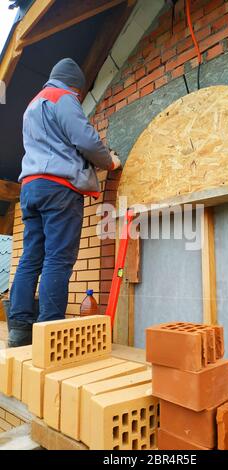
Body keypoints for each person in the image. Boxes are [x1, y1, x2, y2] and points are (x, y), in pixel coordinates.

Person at [8, 58, 121, 347]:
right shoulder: (63, 97)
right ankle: (49, 331)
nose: (79, 98)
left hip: (30, 188)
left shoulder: (32, 105)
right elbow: (86, 140)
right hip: (59, 189)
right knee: (58, 258)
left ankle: (19, 329)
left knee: (31, 258)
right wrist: (109, 162)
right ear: (76, 87)